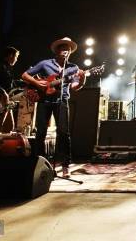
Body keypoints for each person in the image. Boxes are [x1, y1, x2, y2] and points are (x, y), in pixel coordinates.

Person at [21, 37, 86, 178]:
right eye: (63, 48)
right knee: (41, 132)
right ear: (57, 51)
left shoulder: (73, 68)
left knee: (64, 133)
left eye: (68, 49)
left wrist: (82, 80)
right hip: (45, 101)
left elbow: (75, 87)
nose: (65, 51)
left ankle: (65, 165)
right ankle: (39, 163)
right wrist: (39, 84)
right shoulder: (45, 64)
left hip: (62, 101)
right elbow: (25, 75)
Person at [0, 46, 20, 133]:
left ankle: (4, 146)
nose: (16, 59)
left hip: (6, 101)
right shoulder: (0, 66)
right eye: (16, 56)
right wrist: (3, 92)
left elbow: (10, 83)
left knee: (9, 126)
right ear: (10, 56)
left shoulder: (7, 68)